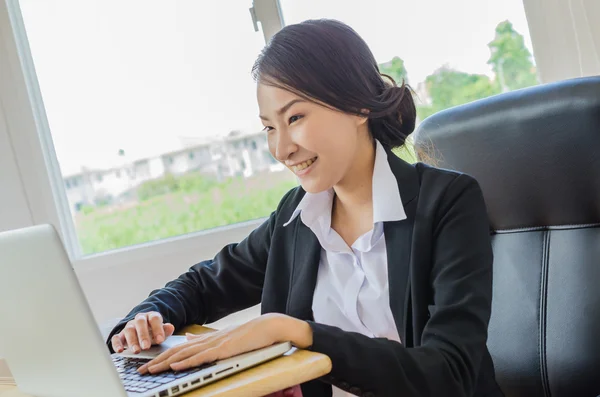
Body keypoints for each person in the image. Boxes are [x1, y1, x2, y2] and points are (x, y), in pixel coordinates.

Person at [107, 19, 503, 397]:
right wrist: (146, 319)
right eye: (269, 127)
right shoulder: (296, 217)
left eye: (294, 117)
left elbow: (449, 375)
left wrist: (297, 332)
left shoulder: (448, 202)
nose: (281, 149)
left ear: (358, 107)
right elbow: (206, 284)